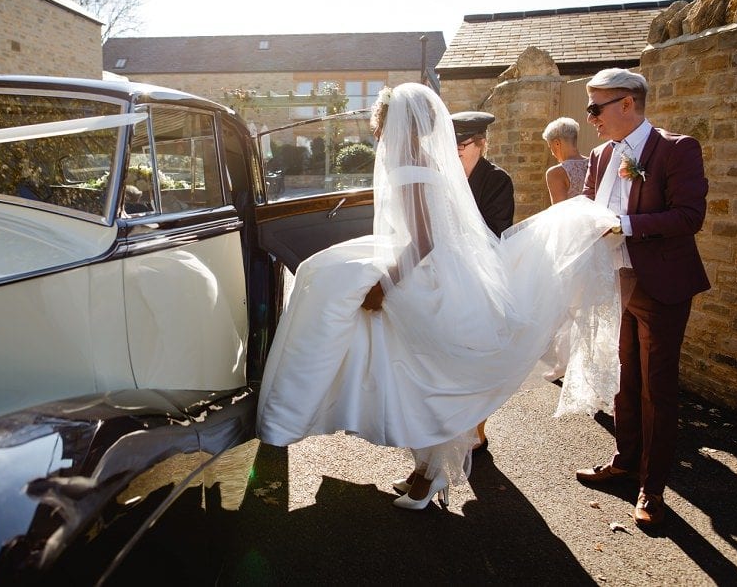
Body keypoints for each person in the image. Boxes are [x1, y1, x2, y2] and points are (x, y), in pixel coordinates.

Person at [257, 83, 622, 511]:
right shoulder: (422, 159)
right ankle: (424, 470)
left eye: (378, 118)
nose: (375, 126)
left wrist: (385, 285)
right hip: (439, 272)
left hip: (425, 279)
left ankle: (430, 474)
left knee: (424, 379)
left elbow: (424, 238)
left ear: (391, 122)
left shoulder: (408, 164)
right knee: (414, 375)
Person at [575, 68, 709, 528]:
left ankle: (652, 489)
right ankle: (624, 462)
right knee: (623, 379)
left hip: (661, 285)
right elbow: (590, 208)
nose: (590, 117)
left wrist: (626, 226)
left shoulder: (677, 149)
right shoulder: (598, 155)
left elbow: (690, 216)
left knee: (658, 389)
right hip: (617, 282)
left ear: (627, 103)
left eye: (596, 107)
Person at [451, 110, 516, 452]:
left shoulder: (497, 180)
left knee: (480, 355)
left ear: (481, 144)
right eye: (452, 143)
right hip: (446, 275)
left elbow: (497, 230)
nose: (456, 149)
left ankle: (477, 431)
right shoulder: (444, 176)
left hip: (482, 276)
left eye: (462, 143)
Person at [540, 117, 589, 382]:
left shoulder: (556, 173)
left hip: (571, 244)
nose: (551, 150)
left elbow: (562, 214)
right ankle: (586, 364)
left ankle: (564, 364)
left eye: (550, 145)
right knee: (590, 305)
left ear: (557, 143)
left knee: (567, 305)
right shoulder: (596, 164)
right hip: (598, 241)